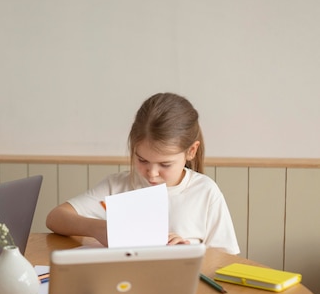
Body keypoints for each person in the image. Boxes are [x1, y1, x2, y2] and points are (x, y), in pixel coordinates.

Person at [46, 92, 240, 254]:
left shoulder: (204, 192)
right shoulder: (118, 186)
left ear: (191, 151)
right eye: (142, 160)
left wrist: (188, 252)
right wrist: (101, 229)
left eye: (165, 164)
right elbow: (55, 218)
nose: (152, 173)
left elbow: (225, 259)